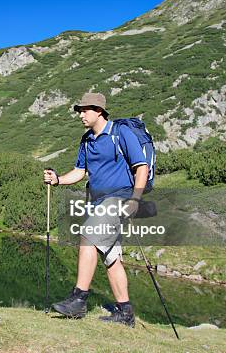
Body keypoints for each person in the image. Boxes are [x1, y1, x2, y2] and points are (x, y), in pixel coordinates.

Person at [43, 92, 148, 327]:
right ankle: (125, 313)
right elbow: (80, 172)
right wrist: (58, 179)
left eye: (85, 110)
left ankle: (79, 300)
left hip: (119, 199)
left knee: (88, 236)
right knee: (111, 258)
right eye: (79, 110)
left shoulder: (121, 134)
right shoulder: (86, 141)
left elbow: (141, 167)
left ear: (98, 110)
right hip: (96, 202)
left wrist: (136, 199)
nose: (81, 114)